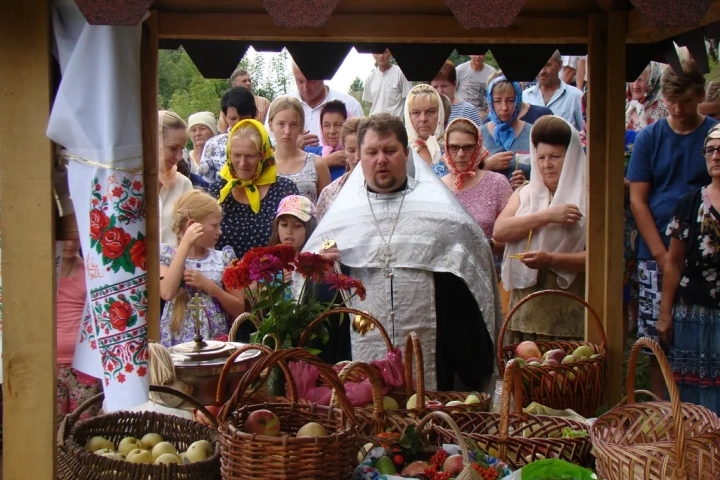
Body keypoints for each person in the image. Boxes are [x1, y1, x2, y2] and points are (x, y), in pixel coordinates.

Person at [301, 113, 502, 392]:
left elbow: (471, 272)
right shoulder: (339, 221)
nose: (381, 159)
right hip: (357, 361)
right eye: (371, 152)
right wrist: (320, 275)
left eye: (390, 150)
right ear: (360, 156)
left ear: (406, 154)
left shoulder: (442, 217)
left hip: (431, 358)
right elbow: (314, 300)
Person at [627, 59, 717, 399]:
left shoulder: (712, 136)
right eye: (672, 102)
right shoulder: (651, 137)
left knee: (702, 336)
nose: (678, 109)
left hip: (704, 255)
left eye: (687, 102)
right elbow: (638, 200)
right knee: (656, 341)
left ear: (698, 96)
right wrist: (663, 256)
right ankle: (663, 411)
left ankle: (702, 409)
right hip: (655, 250)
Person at [494, 116, 587, 343]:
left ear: (572, 158)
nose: (547, 164)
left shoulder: (588, 198)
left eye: (555, 157)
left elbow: (598, 259)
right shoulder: (526, 194)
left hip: (569, 312)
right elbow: (500, 231)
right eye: (542, 157)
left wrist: (550, 259)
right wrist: (547, 216)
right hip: (523, 312)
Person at [658, 124, 720, 414]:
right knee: (694, 402)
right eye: (710, 150)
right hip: (693, 315)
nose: (716, 155)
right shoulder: (690, 204)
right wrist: (665, 313)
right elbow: (674, 262)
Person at [159, 190, 244, 347]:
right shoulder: (167, 256)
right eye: (214, 225)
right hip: (177, 341)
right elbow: (167, 292)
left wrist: (210, 287)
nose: (220, 231)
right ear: (192, 225)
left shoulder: (224, 258)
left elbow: (239, 308)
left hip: (214, 341)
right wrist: (185, 244)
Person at [623, 62, 669, 338]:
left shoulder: (661, 111)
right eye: (633, 80)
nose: (637, 85)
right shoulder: (627, 109)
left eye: (642, 79)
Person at [208, 119, 299, 258]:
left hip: (273, 277)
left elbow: (298, 239)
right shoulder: (218, 191)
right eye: (237, 155)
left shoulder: (284, 190)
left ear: (263, 155)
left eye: (250, 156)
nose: (243, 163)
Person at [441, 118, 512, 258]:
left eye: (467, 147)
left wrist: (483, 244)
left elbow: (513, 239)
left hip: (488, 268)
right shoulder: (436, 187)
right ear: (446, 148)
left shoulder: (497, 184)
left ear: (478, 147)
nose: (461, 154)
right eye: (454, 147)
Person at [57, 227, 102, 426]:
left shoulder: (89, 270)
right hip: (48, 361)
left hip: (83, 362)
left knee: (81, 427)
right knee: (48, 427)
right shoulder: (40, 269)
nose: (70, 244)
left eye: (76, 238)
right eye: (65, 238)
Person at [267, 96, 331, 203]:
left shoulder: (317, 164)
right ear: (271, 125)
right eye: (281, 124)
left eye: (293, 124)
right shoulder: (263, 165)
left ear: (301, 127)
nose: (287, 131)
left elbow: (327, 207)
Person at [287, 62, 364, 149]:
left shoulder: (351, 105)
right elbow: (271, 148)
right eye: (300, 81)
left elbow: (363, 146)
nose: (305, 88)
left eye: (312, 81)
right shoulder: (282, 107)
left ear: (323, 75)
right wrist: (291, 146)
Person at [199, 87, 258, 185]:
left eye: (244, 118)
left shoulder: (267, 145)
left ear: (253, 116)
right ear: (225, 117)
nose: (239, 123)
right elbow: (205, 184)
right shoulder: (213, 145)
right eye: (233, 118)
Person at [481, 75, 530, 188]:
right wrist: (487, 165)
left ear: (518, 101)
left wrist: (526, 183)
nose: (504, 107)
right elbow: (464, 176)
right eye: (497, 101)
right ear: (490, 102)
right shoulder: (478, 135)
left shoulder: (532, 133)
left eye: (510, 100)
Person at [522, 51, 584, 132]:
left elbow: (585, 134)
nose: (542, 71)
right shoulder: (525, 96)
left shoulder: (575, 96)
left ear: (559, 65)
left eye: (548, 65)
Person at [158, 110, 193, 247]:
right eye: (173, 148)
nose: (179, 157)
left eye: (182, 149)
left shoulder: (184, 185)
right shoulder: (131, 185)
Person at [316, 118, 362, 220]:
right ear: (344, 149)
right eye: (351, 150)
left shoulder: (385, 189)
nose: (357, 157)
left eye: (363, 150)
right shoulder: (330, 193)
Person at [404, 84, 447, 177]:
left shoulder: (454, 147)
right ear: (408, 116)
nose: (423, 119)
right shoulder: (401, 151)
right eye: (416, 113)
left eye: (430, 111)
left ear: (440, 114)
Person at [431, 61, 482, 127]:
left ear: (454, 84)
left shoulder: (469, 111)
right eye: (435, 87)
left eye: (444, 86)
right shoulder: (425, 110)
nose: (440, 91)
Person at [362, 49, 412, 117]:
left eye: (384, 52)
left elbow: (409, 101)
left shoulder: (400, 73)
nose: (381, 56)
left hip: (394, 124)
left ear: (390, 54)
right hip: (375, 124)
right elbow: (371, 104)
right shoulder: (370, 78)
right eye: (378, 52)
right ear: (373, 55)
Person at [455, 54, 497, 120]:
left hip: (483, 114)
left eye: (480, 54)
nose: (477, 57)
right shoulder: (460, 70)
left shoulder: (491, 72)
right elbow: (452, 90)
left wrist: (488, 112)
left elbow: (495, 95)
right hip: (462, 112)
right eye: (475, 54)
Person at [319, 100, 350, 181]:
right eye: (326, 125)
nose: (332, 131)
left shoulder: (356, 154)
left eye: (338, 125)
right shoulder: (314, 153)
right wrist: (327, 161)